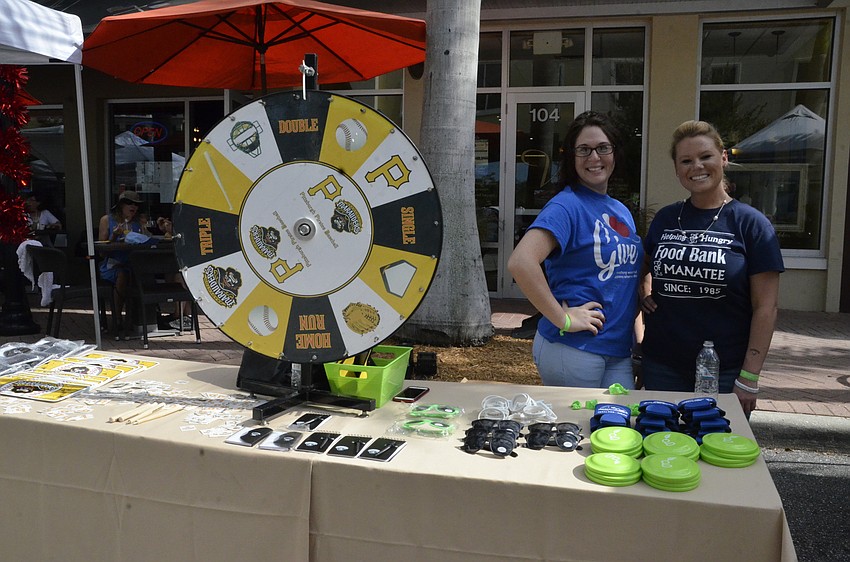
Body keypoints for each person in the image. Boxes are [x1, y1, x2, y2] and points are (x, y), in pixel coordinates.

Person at [639, 120, 784, 418]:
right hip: (662, 365)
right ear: (677, 169)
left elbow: (766, 307)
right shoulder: (666, 219)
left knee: (718, 457)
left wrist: (750, 377)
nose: (697, 166)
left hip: (724, 371)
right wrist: (644, 293)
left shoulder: (751, 224)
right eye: (686, 161)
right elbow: (641, 265)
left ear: (723, 158)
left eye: (705, 156)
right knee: (662, 452)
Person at [507, 111, 643, 389]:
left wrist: (638, 338)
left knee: (616, 430)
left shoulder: (621, 210)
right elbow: (521, 263)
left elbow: (630, 280)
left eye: (603, 148)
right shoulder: (567, 205)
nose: (594, 158)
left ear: (614, 153)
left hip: (618, 350)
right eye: (584, 150)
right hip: (574, 347)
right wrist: (563, 318)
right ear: (571, 157)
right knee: (576, 431)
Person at [97, 190, 150, 324]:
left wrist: (145, 229)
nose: (133, 206)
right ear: (121, 205)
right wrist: (114, 236)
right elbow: (101, 252)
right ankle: (117, 317)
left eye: (136, 204)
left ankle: (145, 319)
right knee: (122, 274)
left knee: (148, 275)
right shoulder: (107, 220)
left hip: (135, 264)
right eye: (129, 203)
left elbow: (148, 241)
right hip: (113, 264)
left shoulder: (139, 222)